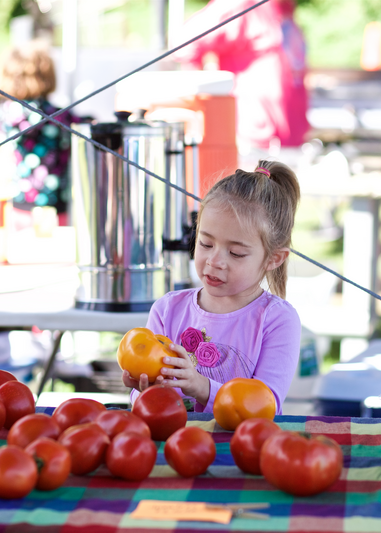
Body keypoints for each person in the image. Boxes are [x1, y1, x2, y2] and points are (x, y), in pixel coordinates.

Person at [122, 160, 302, 414]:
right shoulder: (167, 309)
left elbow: (265, 405)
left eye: (236, 253)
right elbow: (148, 401)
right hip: (176, 447)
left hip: (243, 449)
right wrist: (143, 389)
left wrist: (202, 387)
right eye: (206, 244)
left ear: (274, 258)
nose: (214, 261)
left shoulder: (277, 320)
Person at [173, 0, 310, 152]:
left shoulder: (283, 6)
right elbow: (186, 43)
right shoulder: (241, 4)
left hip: (289, 143)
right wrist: (204, 111)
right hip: (253, 142)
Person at [0, 41, 85, 229]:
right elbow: (79, 123)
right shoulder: (49, 112)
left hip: (22, 198)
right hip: (51, 201)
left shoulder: (6, 111)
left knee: (26, 253)